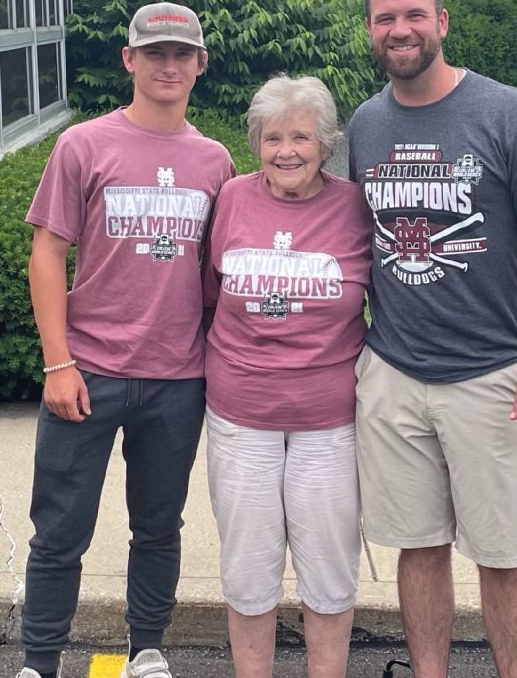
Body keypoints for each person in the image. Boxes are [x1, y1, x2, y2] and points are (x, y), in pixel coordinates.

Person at [347, 0, 517, 678]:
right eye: (386, 17)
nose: (401, 29)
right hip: (394, 371)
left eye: (414, 14)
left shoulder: (507, 114)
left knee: (505, 554)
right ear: (371, 30)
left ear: (442, 22)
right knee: (417, 547)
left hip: (492, 377)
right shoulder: (365, 124)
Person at [19, 2, 235, 678]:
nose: (168, 66)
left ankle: (146, 648)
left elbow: (218, 273)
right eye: (154, 53)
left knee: (158, 526)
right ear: (129, 59)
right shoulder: (84, 145)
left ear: (200, 64)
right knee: (59, 530)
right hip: (91, 371)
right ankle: (39, 660)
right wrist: (58, 361)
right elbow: (48, 252)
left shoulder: (216, 161)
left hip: (177, 376)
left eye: (181, 54)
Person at [202, 75, 372, 678]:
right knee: (248, 568)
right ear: (256, 144)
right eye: (272, 137)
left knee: (328, 569)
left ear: (326, 144)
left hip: (329, 419)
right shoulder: (231, 200)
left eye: (301, 136)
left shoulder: (355, 205)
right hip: (240, 414)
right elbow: (206, 294)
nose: (286, 151)